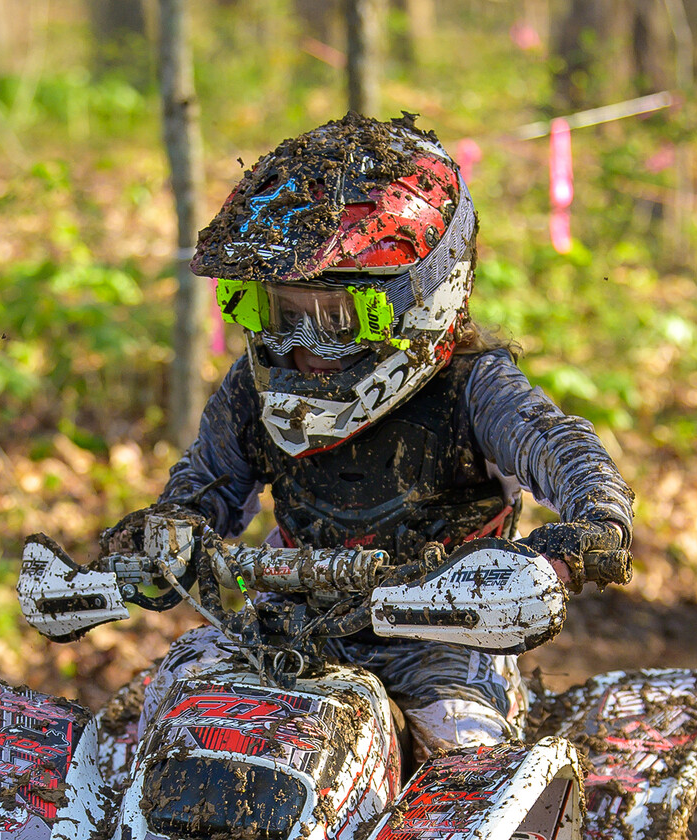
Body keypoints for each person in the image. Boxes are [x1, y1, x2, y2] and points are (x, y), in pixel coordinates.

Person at [103, 114, 638, 757]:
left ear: (421, 300)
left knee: (461, 748)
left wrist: (592, 525)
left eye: (333, 316)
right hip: (284, 618)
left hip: (444, 635)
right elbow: (207, 483)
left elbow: (557, 445)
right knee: (168, 703)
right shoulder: (254, 387)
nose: (300, 341)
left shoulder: (471, 387)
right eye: (271, 310)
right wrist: (165, 531)